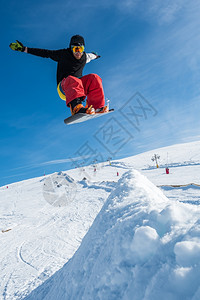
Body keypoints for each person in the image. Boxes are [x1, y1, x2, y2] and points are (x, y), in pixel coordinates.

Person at [9, 35, 108, 115]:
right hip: (64, 87)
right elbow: (45, 53)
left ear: (83, 49)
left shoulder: (85, 56)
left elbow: (92, 56)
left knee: (94, 78)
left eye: (80, 49)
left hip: (79, 88)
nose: (78, 52)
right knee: (72, 79)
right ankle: (76, 107)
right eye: (75, 49)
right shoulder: (63, 54)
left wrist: (96, 56)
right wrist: (24, 49)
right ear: (71, 48)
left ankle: (96, 106)